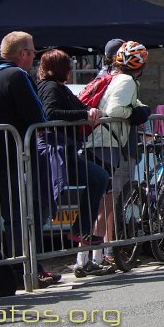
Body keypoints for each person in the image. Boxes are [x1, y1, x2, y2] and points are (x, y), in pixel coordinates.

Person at [0, 31, 59, 287]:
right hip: (0, 152)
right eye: (34, 52)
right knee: (16, 214)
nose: (35, 57)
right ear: (23, 54)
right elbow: (38, 115)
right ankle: (23, 271)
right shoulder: (17, 75)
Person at [35, 49, 112, 277]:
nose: (71, 70)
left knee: (99, 177)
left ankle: (81, 232)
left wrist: (89, 111)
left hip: (65, 151)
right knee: (47, 206)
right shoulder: (49, 87)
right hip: (55, 151)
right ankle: (35, 263)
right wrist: (84, 115)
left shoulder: (57, 87)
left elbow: (76, 107)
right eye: (68, 65)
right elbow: (50, 113)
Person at [86, 41, 151, 268]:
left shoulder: (115, 77)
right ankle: (89, 258)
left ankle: (91, 257)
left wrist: (138, 108)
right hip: (107, 144)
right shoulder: (126, 81)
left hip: (101, 142)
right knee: (105, 203)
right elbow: (115, 111)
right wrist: (136, 113)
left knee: (100, 203)